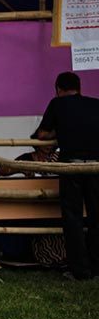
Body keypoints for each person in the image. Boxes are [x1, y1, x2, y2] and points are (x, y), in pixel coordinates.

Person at [37, 72, 99, 280]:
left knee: (73, 218)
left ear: (58, 89)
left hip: (71, 165)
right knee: (96, 216)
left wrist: (60, 131)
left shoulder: (57, 104)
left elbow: (43, 134)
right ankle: (97, 266)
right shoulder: (95, 104)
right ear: (79, 88)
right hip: (96, 167)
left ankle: (80, 271)